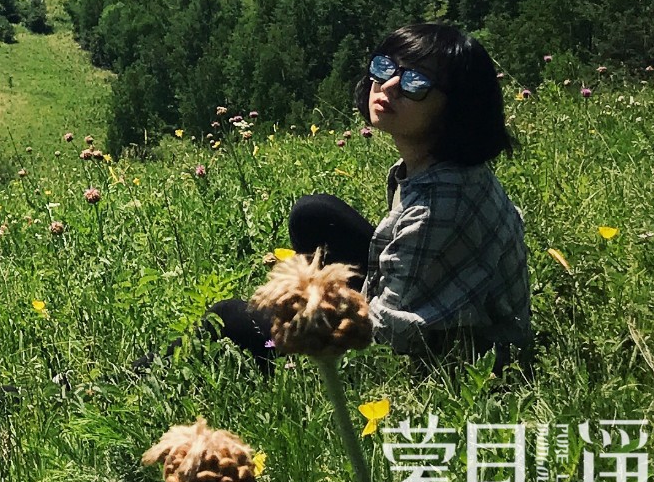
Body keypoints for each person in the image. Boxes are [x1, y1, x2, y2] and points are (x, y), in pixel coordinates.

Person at [206, 22, 533, 372]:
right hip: (449, 308)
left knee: (229, 318)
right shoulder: (443, 167)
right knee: (315, 214)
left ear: (456, 106)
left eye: (416, 83)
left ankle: (151, 376)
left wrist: (307, 329)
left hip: (459, 356)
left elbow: (391, 332)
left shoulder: (437, 206)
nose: (389, 85)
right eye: (385, 67)